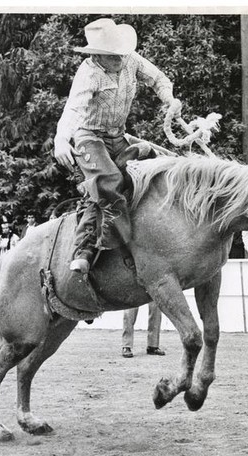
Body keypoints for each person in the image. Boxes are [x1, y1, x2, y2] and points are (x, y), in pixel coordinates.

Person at [54, 18, 180, 273]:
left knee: (164, 160)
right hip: (89, 137)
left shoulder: (130, 58)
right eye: (113, 57)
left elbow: (158, 79)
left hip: (119, 136)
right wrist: (61, 140)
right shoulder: (88, 73)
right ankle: (98, 247)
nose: (120, 60)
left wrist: (170, 100)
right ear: (98, 55)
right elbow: (74, 109)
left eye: (122, 54)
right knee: (109, 180)